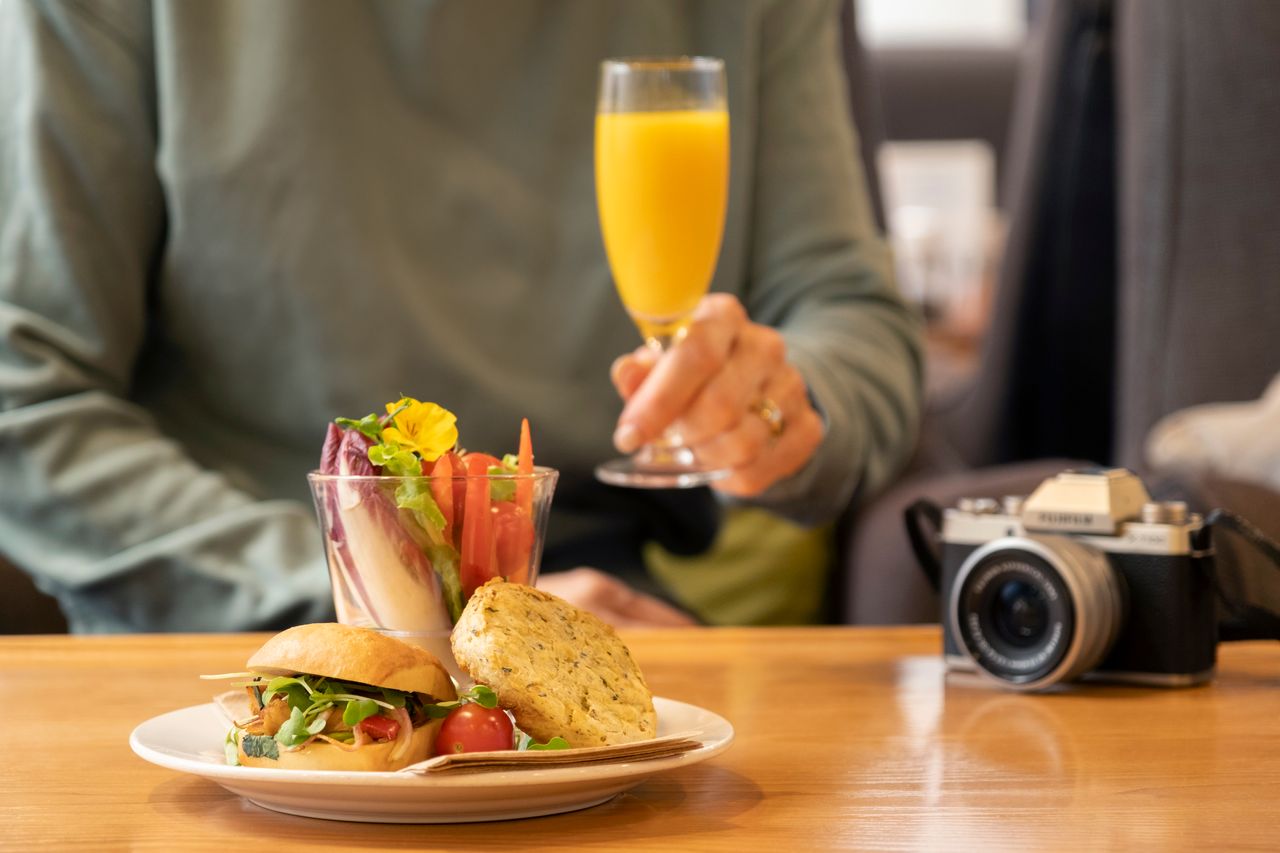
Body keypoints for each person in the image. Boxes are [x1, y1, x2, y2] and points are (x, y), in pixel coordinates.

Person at [0, 0, 922, 632]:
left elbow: (851, 316)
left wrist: (781, 409)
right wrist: (378, 597)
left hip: (585, 606)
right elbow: (24, 396)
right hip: (249, 614)